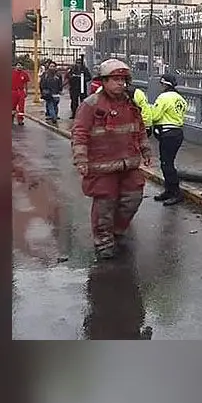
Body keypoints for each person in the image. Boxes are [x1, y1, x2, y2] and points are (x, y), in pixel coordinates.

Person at [70, 59, 153, 260]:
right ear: (104, 81)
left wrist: (145, 150)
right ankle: (104, 242)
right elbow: (79, 133)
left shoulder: (130, 103)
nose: (120, 83)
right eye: (116, 79)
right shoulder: (91, 105)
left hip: (128, 164)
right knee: (104, 206)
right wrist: (81, 159)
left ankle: (117, 230)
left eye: (123, 80)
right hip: (102, 166)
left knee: (133, 198)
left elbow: (139, 129)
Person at [147, 73, 188, 205]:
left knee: (167, 164)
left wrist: (148, 110)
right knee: (167, 163)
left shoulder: (164, 97)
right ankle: (169, 191)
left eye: (161, 84)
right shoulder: (180, 98)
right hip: (177, 133)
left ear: (165, 84)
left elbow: (155, 115)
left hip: (168, 134)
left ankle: (176, 193)